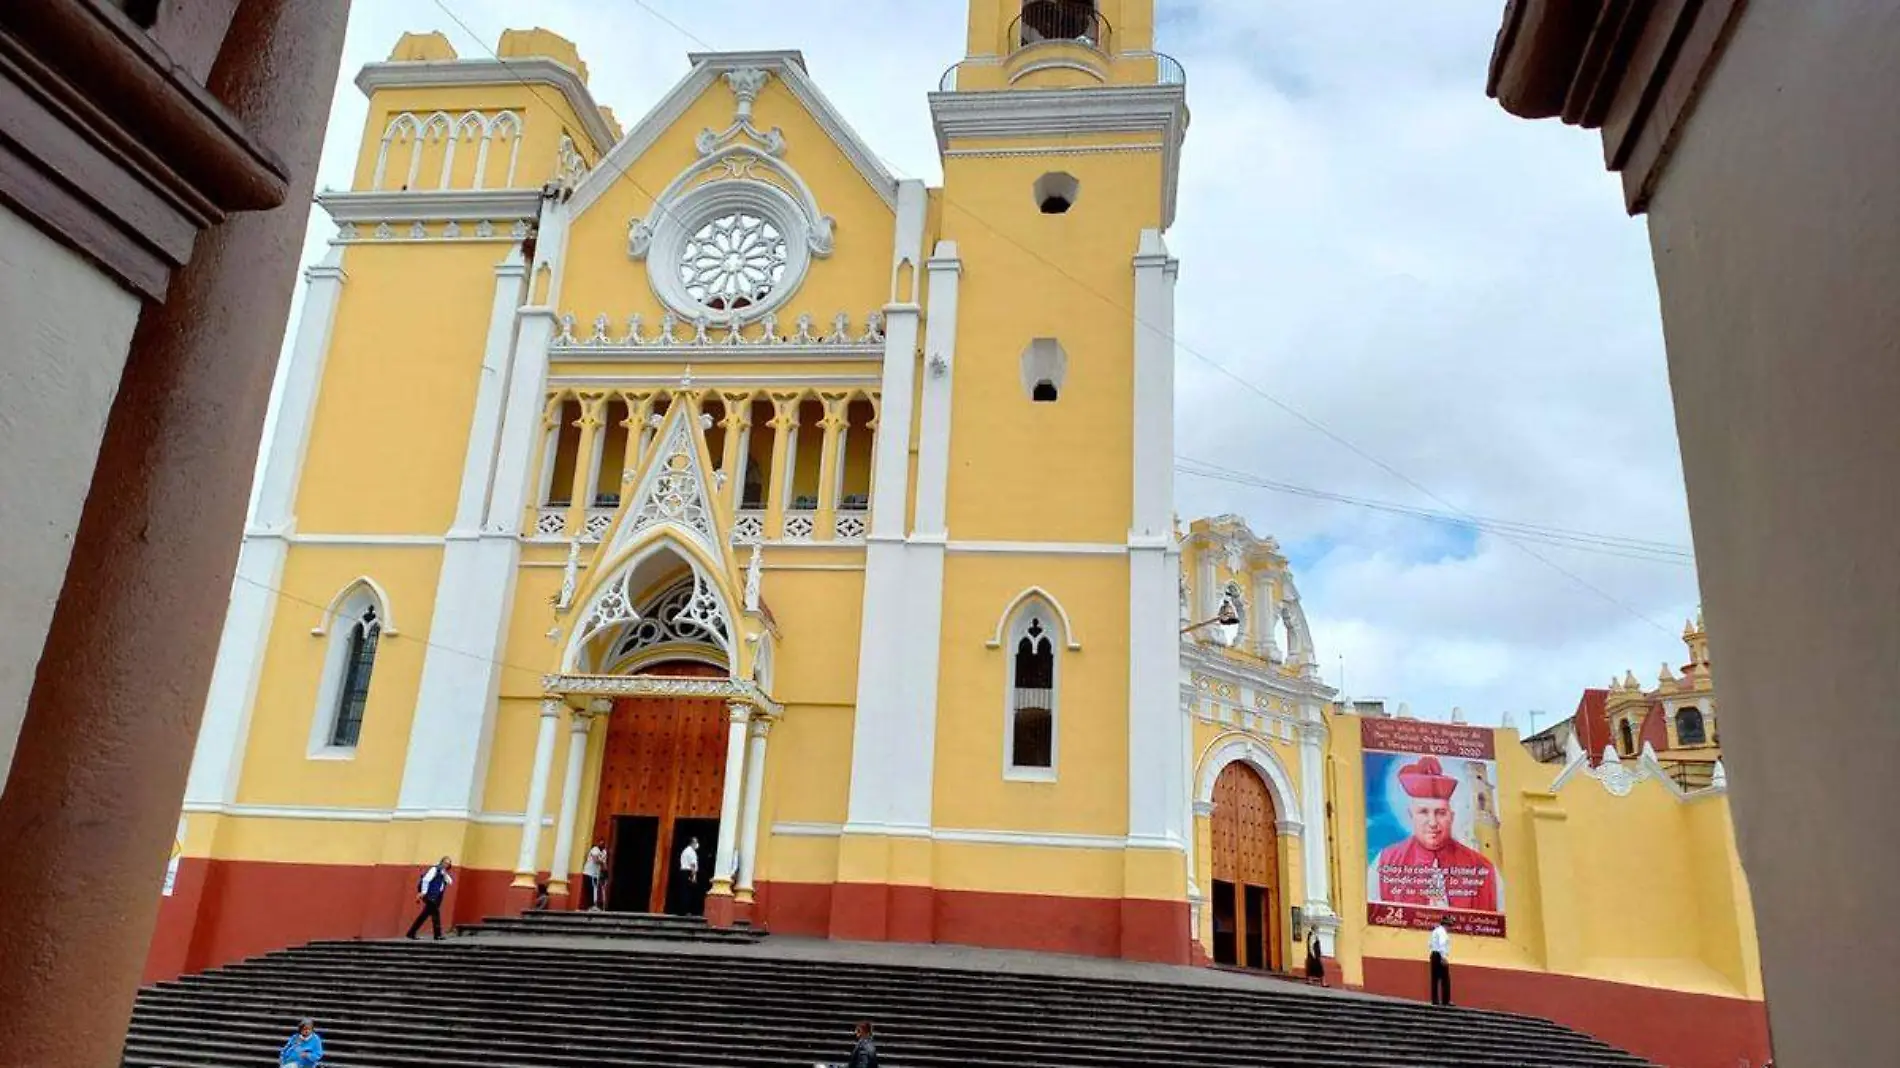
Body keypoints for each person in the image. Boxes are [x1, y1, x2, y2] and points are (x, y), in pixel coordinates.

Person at [1369, 756, 1501, 912]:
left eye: (1440, 813)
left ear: (1452, 817)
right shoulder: (1384, 862)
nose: (1432, 822)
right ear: (1411, 815)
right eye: (1424, 812)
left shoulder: (1483, 868)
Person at [405, 856, 453, 940]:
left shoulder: (443, 872)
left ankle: (411, 932)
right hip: (431, 895)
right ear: (441, 862)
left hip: (437, 897)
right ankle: (437, 935)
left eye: (448, 864)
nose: (446, 865)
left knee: (424, 915)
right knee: (435, 914)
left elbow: (450, 882)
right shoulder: (434, 869)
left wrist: (444, 873)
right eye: (445, 863)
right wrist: (423, 892)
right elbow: (425, 880)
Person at [1428, 921, 1453, 1006]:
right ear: (1446, 925)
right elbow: (1442, 944)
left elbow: (1430, 944)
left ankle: (1435, 1000)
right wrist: (1443, 957)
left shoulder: (1435, 931)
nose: (1450, 928)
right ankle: (1445, 1001)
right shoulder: (1442, 932)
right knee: (1445, 979)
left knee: (1434, 979)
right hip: (1439, 955)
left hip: (1433, 954)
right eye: (1450, 926)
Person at [676, 836, 700, 915]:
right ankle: (685, 911)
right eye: (696, 842)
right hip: (688, 872)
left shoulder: (685, 851)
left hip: (683, 872)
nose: (697, 844)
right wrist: (693, 876)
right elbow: (693, 865)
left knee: (683, 891)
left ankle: (681, 910)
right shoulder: (691, 852)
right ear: (692, 843)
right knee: (688, 893)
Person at [583, 839, 608, 911]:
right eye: (601, 843)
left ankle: (594, 906)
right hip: (588, 872)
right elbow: (595, 859)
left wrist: (606, 872)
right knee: (589, 890)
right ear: (598, 843)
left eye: (603, 843)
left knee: (595, 890)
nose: (602, 844)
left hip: (596, 874)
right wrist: (602, 862)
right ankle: (590, 906)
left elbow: (604, 863)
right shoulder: (595, 849)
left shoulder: (604, 852)